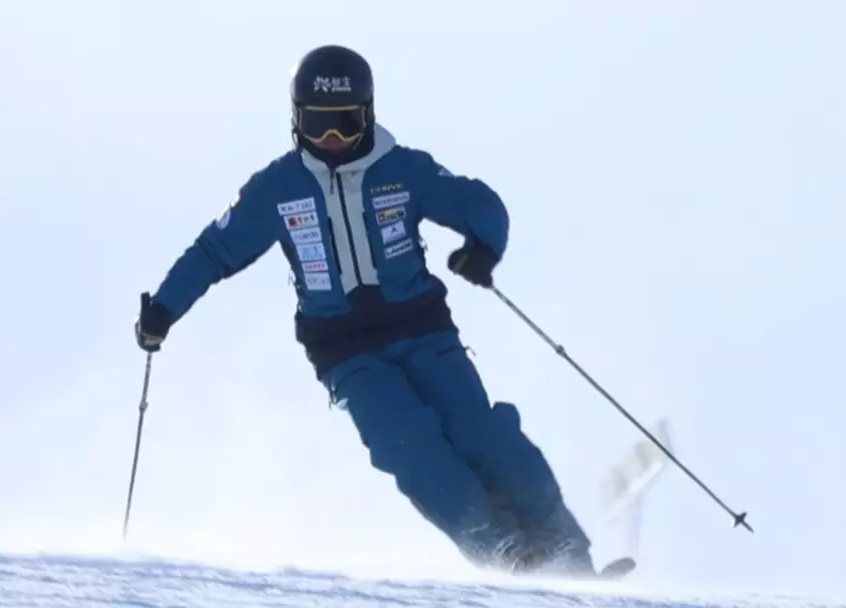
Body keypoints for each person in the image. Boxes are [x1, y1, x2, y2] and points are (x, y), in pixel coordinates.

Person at [134, 44, 598, 577]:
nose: (332, 138)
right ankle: (505, 553)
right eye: (318, 124)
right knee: (410, 448)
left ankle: (564, 551)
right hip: (346, 351)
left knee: (481, 435)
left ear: (369, 114)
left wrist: (483, 247)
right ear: (296, 120)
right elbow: (214, 251)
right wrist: (163, 309)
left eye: (346, 122)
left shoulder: (403, 170)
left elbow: (477, 202)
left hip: (422, 329)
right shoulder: (277, 189)